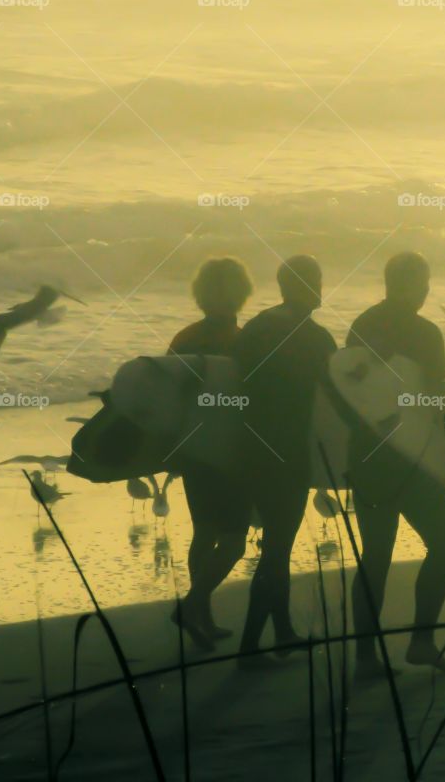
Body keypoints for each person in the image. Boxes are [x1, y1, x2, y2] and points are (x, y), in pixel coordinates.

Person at [346, 251, 445, 677]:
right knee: (444, 545)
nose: (427, 290)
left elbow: (350, 393)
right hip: (412, 460)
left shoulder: (360, 326)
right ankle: (421, 640)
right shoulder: (423, 332)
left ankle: (364, 658)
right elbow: (440, 394)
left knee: (375, 556)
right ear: (413, 286)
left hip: (368, 457)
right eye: (424, 282)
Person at [232, 254, 337, 659]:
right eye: (316, 281)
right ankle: (249, 646)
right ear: (303, 287)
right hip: (288, 452)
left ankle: (283, 632)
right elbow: (337, 395)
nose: (321, 289)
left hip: (250, 445)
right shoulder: (315, 338)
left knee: (278, 541)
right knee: (277, 546)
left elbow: (235, 379)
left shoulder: (257, 327)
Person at [168, 256, 254, 649]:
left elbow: (168, 398)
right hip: (232, 452)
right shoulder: (244, 340)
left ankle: (201, 615)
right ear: (241, 293)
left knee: (204, 531)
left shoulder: (183, 339)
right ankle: (193, 606)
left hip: (194, 449)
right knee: (235, 541)